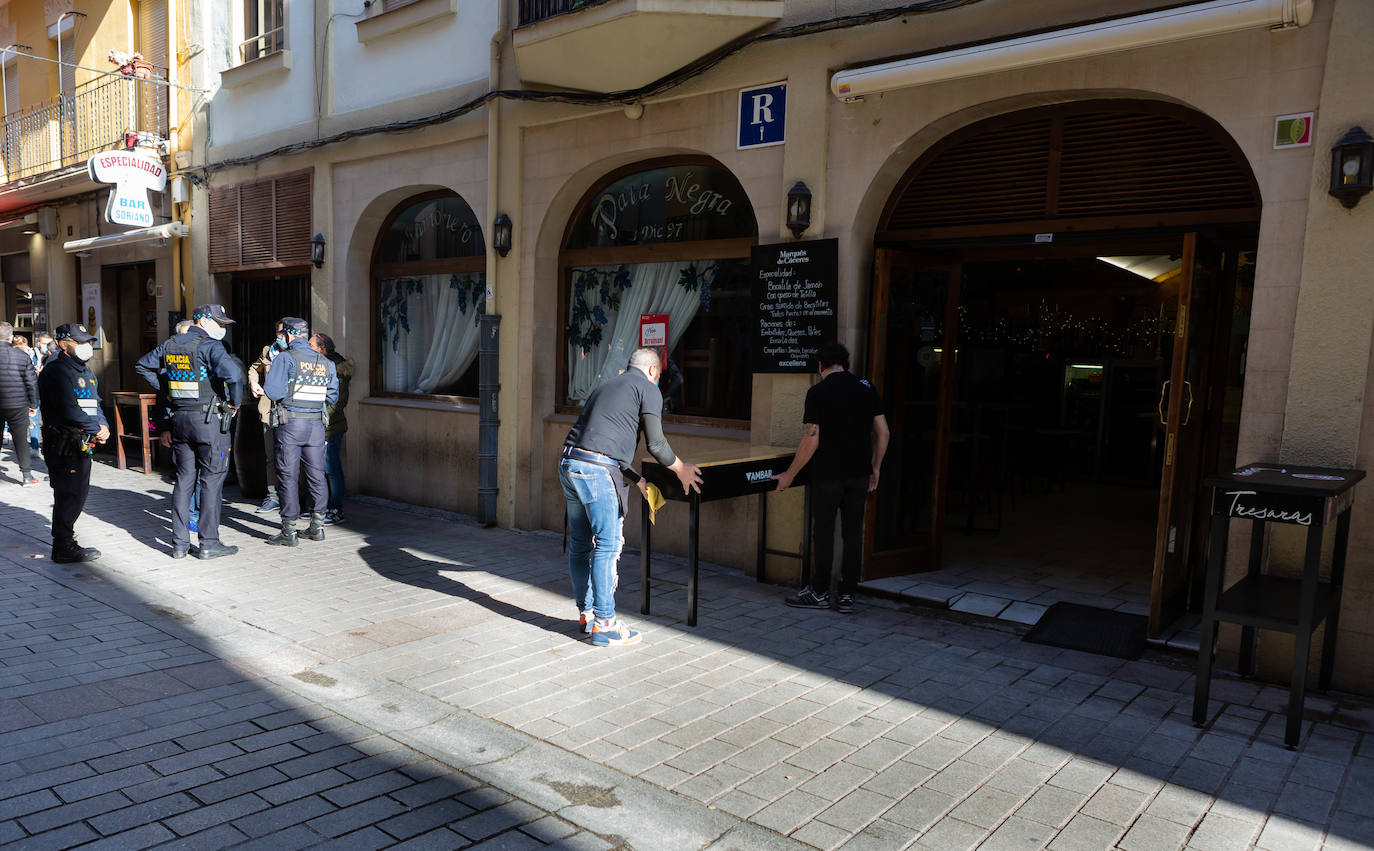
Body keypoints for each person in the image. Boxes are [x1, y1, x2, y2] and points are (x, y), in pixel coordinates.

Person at [559, 347, 702, 646]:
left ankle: (586, 615)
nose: (658, 382)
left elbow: (605, 442)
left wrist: (637, 480)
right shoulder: (648, 389)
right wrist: (682, 469)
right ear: (653, 371)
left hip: (569, 463)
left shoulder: (607, 385)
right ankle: (605, 624)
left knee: (580, 544)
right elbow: (657, 445)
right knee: (608, 544)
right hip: (596, 470)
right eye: (659, 376)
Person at [772, 342, 890, 614]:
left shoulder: (818, 392)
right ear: (844, 364)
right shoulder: (866, 387)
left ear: (820, 365)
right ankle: (848, 595)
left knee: (824, 533)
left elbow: (811, 440)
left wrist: (789, 475)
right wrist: (876, 466)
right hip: (859, 473)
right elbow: (883, 432)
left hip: (828, 475)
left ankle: (820, 592)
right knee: (852, 534)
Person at [135, 304, 244, 560]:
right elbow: (234, 377)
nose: (222, 329)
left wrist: (168, 390)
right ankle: (209, 542)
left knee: (184, 481)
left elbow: (142, 365)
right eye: (219, 323)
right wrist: (234, 404)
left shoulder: (171, 344)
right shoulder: (208, 345)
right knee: (211, 480)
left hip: (180, 418)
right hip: (208, 420)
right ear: (204, 321)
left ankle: (180, 544)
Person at [37, 323, 109, 563]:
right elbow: (69, 408)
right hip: (63, 442)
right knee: (69, 493)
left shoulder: (85, 371)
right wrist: (94, 428)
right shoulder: (55, 371)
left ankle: (65, 541)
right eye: (79, 342)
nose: (86, 346)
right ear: (63, 344)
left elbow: (95, 403)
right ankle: (63, 545)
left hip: (82, 440)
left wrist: (103, 426)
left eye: (88, 341)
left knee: (78, 492)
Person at [263, 317, 337, 546]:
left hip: (291, 425)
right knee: (316, 476)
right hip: (316, 425)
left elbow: (273, 393)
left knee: (288, 476)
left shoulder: (285, 358)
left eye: (281, 335)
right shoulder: (325, 362)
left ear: (287, 335)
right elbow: (332, 396)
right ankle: (317, 526)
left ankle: (289, 531)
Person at [310, 331, 351, 524]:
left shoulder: (336, 369)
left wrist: (321, 417)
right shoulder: (320, 366)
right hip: (320, 425)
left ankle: (336, 508)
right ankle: (323, 507)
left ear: (322, 349)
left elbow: (338, 402)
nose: (308, 350)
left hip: (330, 427)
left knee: (332, 468)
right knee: (322, 469)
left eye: (311, 346)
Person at [247, 320, 285, 513]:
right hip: (269, 410)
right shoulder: (268, 351)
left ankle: (295, 496)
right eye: (277, 332)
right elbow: (254, 368)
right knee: (271, 456)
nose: (280, 337)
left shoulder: (298, 354)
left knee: (291, 457)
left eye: (283, 333)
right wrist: (254, 383)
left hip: (290, 412)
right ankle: (272, 496)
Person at [0, 322, 40, 486]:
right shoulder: (22, 356)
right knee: (21, 439)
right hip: (18, 404)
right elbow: (31, 383)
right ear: (11, 337)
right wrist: (33, 404)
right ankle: (27, 476)